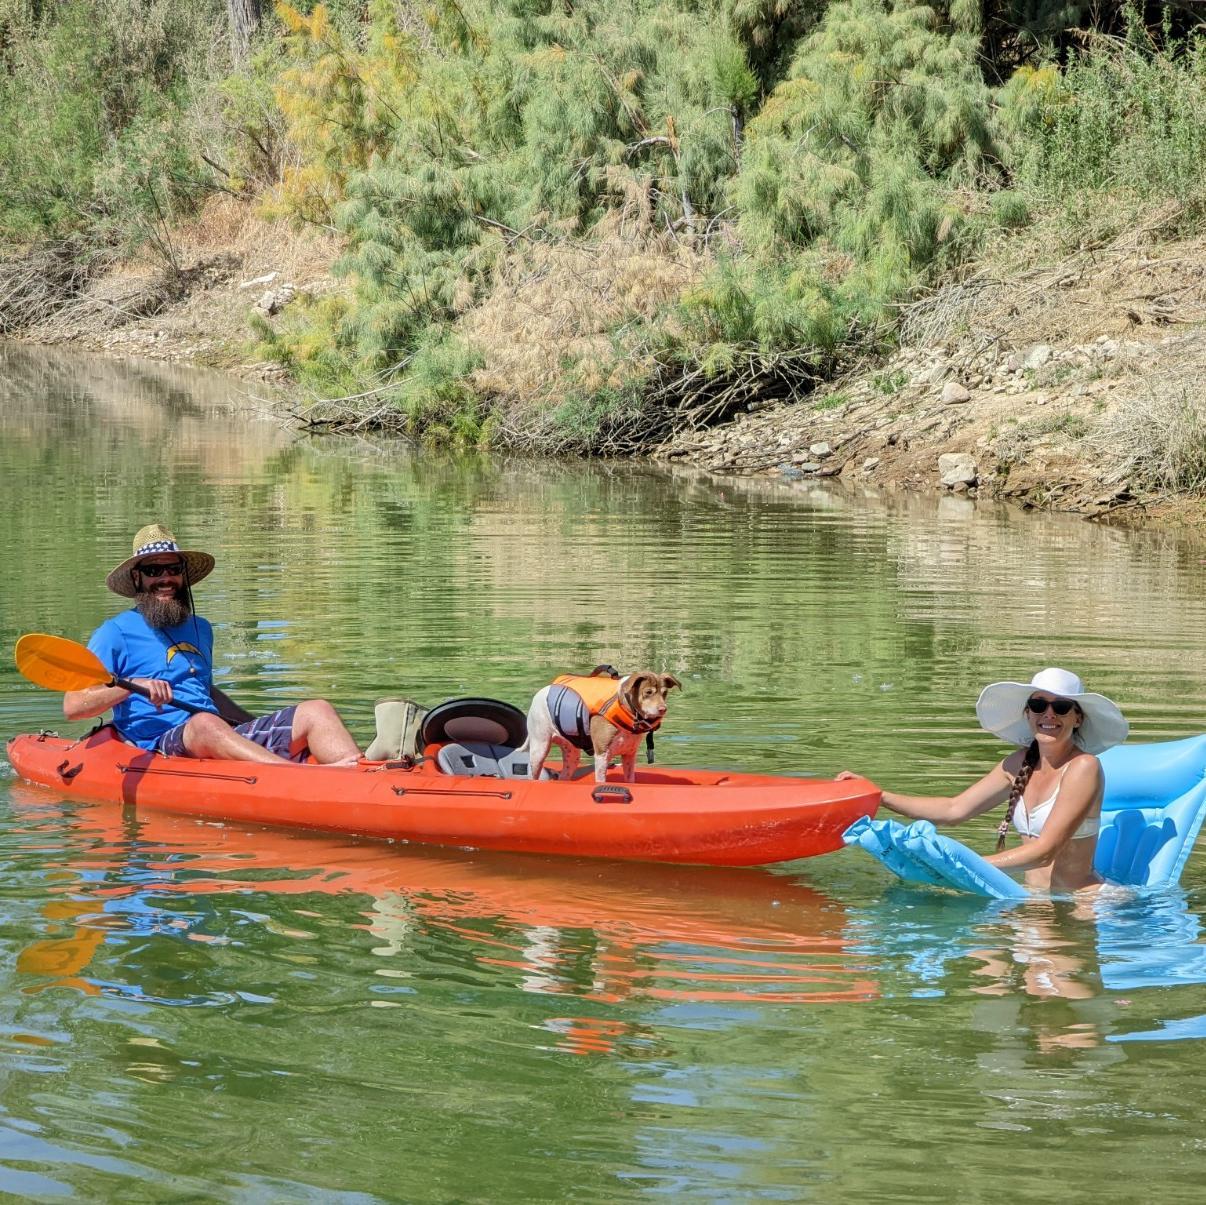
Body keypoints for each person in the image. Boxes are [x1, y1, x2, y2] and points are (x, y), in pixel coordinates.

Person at [63, 523, 361, 766]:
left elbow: (205, 690)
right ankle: (295, 775)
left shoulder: (201, 628)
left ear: (183, 575)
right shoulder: (114, 633)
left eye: (173, 569)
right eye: (154, 571)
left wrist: (250, 724)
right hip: (158, 744)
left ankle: (363, 774)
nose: (166, 579)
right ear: (137, 577)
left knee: (317, 710)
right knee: (204, 723)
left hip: (214, 732)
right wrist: (131, 686)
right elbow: (74, 706)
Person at [839, 667, 1129, 893]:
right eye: (1039, 705)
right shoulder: (1019, 763)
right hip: (1034, 899)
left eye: (1062, 707)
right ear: (1028, 713)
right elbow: (954, 809)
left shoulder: (1083, 767)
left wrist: (961, 865)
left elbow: (1045, 851)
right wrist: (880, 796)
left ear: (1077, 718)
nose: (1049, 714)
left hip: (1083, 903)